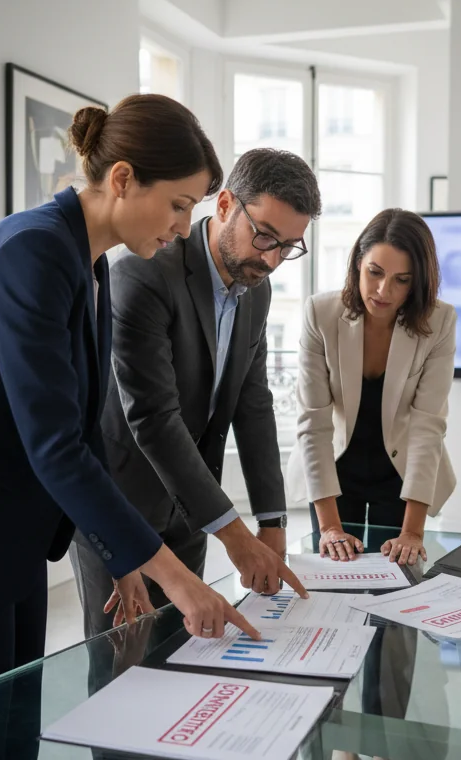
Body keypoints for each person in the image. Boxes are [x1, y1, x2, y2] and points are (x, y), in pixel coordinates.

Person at [0, 94, 261, 715]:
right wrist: (177, 578)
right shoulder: (32, 250)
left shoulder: (85, 261)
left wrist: (126, 561)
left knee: (15, 730)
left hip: (8, 530)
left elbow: (84, 429)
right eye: (179, 205)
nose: (183, 227)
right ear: (122, 179)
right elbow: (55, 444)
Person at [75, 148, 321, 638]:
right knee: (121, 663)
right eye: (265, 236)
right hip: (123, 504)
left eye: (289, 246)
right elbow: (154, 418)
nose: (272, 259)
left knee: (179, 652)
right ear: (226, 204)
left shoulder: (258, 286)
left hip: (192, 511)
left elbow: (253, 404)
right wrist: (235, 535)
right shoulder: (143, 273)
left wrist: (271, 518)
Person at [287, 208, 457, 563]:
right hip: (335, 468)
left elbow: (428, 426)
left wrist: (412, 532)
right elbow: (314, 422)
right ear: (357, 266)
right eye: (375, 273)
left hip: (400, 474)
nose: (383, 290)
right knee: (333, 581)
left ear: (418, 282)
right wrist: (330, 527)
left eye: (402, 280)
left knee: (397, 590)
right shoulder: (321, 313)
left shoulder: (439, 321)